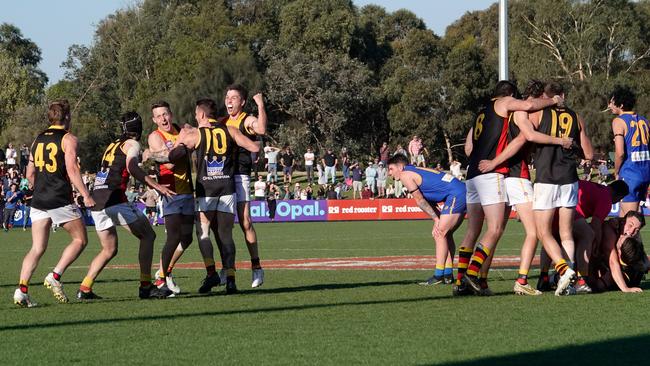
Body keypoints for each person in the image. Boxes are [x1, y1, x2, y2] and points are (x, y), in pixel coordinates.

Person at [460, 80, 563, 296]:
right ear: (510, 95)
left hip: (471, 174)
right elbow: (527, 107)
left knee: (473, 231)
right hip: (490, 172)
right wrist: (552, 100)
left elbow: (468, 147)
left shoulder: (481, 112)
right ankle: (472, 273)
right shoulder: (504, 103)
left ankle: (460, 281)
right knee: (495, 229)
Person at [77, 112, 175, 300]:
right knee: (148, 235)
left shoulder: (112, 144)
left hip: (97, 200)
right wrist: (156, 186)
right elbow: (131, 167)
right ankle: (146, 287)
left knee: (109, 249)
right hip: (114, 198)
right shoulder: (133, 144)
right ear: (138, 129)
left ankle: (85, 288)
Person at [167, 98, 259, 294]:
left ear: (201, 114)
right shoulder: (230, 130)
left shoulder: (196, 134)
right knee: (226, 235)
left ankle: (211, 272)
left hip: (205, 189)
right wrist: (232, 153)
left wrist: (180, 139)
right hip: (227, 187)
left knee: (203, 233)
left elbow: (173, 156)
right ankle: (232, 279)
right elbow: (254, 147)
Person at [13, 100, 96, 307]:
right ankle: (55, 276)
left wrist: (41, 187)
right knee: (80, 240)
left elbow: (29, 174)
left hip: (39, 199)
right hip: (58, 197)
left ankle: (22, 290)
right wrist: (85, 194)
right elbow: (72, 170)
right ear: (66, 117)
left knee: (37, 247)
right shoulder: (68, 139)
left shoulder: (37, 139)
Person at [388, 154, 477, 285]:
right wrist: (437, 218)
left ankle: (438, 275)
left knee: (440, 233)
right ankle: (447, 274)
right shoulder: (414, 170)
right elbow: (430, 200)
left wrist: (436, 220)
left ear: (400, 167)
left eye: (391, 169)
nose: (389, 173)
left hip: (456, 194)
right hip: (459, 191)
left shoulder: (405, 174)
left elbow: (420, 200)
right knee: (446, 234)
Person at [140, 101, 195, 295]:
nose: (163, 118)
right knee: (173, 237)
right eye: (159, 116)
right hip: (170, 192)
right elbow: (170, 165)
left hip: (187, 191)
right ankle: (162, 279)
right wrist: (183, 143)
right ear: (154, 119)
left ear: (171, 114)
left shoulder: (180, 129)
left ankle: (165, 271)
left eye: (165, 114)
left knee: (187, 238)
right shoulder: (155, 136)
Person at [536, 179, 629, 293]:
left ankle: (544, 277)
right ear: (618, 195)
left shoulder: (597, 188)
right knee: (587, 235)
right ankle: (581, 280)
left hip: (552, 202)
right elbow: (596, 224)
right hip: (567, 208)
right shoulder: (607, 198)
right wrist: (596, 244)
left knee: (551, 238)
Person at [609, 85, 650, 217]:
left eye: (612, 102)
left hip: (630, 173)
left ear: (620, 105)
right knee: (626, 217)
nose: (609, 105)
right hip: (645, 172)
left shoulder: (619, 121)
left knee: (629, 221)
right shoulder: (644, 121)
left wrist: (616, 172)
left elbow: (620, 153)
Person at [588, 211, 647, 293]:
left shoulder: (632, 233)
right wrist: (625, 288)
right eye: (630, 225)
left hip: (600, 261)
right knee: (596, 284)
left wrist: (643, 265)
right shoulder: (610, 230)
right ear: (623, 221)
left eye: (637, 230)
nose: (631, 232)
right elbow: (613, 261)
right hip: (586, 255)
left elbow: (641, 255)